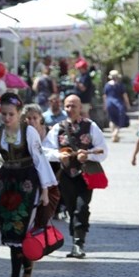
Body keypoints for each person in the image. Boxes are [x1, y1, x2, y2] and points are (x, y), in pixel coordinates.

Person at [0, 93, 56, 277]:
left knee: (22, 226)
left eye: (11, 114)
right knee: (9, 227)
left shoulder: (29, 133)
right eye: (4, 114)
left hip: (27, 182)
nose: (7, 118)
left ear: (19, 114)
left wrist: (45, 190)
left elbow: (39, 160)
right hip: (6, 182)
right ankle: (26, 265)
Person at [44, 94, 108, 259]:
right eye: (67, 106)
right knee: (72, 208)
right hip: (66, 175)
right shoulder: (58, 128)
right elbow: (45, 150)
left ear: (81, 108)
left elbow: (103, 150)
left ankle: (79, 243)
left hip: (85, 175)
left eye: (73, 106)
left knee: (81, 207)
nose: (70, 109)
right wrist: (59, 156)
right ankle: (75, 242)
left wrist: (88, 156)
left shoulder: (91, 126)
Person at [103, 70, 131, 142]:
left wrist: (105, 105)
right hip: (118, 104)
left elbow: (105, 96)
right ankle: (115, 133)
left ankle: (114, 135)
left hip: (109, 103)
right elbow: (125, 96)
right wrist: (127, 104)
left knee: (112, 119)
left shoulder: (107, 85)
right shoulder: (120, 85)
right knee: (119, 120)